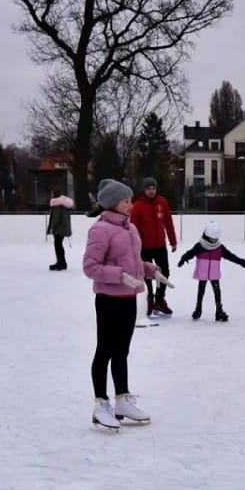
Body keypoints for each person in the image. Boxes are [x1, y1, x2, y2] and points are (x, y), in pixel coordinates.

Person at [82, 178, 172, 431]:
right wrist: (118, 275)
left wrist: (151, 270)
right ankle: (101, 404)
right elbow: (90, 267)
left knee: (122, 350)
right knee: (105, 351)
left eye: (131, 200)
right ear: (112, 204)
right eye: (126, 201)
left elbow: (133, 262)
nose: (131, 205)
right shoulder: (100, 230)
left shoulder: (129, 229)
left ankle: (122, 398)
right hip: (108, 299)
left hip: (129, 298)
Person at [177, 221, 245, 322]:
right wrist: (183, 258)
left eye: (215, 239)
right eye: (212, 238)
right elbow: (191, 253)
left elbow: (231, 256)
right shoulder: (200, 246)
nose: (213, 241)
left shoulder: (219, 248)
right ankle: (198, 310)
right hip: (203, 273)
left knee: (217, 292)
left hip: (214, 273)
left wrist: (242, 262)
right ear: (206, 236)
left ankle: (219, 311)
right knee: (201, 292)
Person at [129, 177, 178, 317]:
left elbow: (168, 222)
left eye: (153, 188)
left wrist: (173, 241)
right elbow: (133, 227)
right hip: (144, 247)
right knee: (147, 274)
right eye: (149, 188)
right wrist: (134, 246)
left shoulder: (162, 202)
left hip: (160, 245)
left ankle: (160, 298)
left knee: (164, 272)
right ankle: (149, 298)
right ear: (144, 190)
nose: (151, 191)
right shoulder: (137, 205)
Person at [46, 186, 74, 270]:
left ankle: (61, 262)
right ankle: (62, 262)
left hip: (59, 228)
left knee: (58, 245)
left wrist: (51, 228)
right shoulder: (64, 204)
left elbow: (55, 218)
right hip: (63, 227)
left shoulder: (56, 205)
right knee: (59, 245)